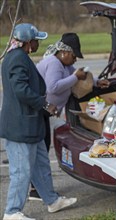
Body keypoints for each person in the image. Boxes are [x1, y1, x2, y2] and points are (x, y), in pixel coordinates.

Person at [0, 23, 77, 220]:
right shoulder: (17, 59)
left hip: (30, 124)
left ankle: (52, 200)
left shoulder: (19, 56)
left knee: (41, 164)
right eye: (36, 40)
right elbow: (21, 90)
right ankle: (12, 211)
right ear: (27, 42)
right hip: (20, 126)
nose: (38, 44)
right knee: (21, 171)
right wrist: (45, 104)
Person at [30, 33, 109, 200]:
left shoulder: (63, 65)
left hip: (45, 110)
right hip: (39, 110)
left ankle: (38, 187)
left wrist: (95, 82)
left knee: (42, 147)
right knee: (41, 149)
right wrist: (74, 78)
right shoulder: (54, 63)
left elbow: (77, 76)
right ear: (65, 52)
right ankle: (36, 189)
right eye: (74, 56)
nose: (75, 60)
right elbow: (53, 87)